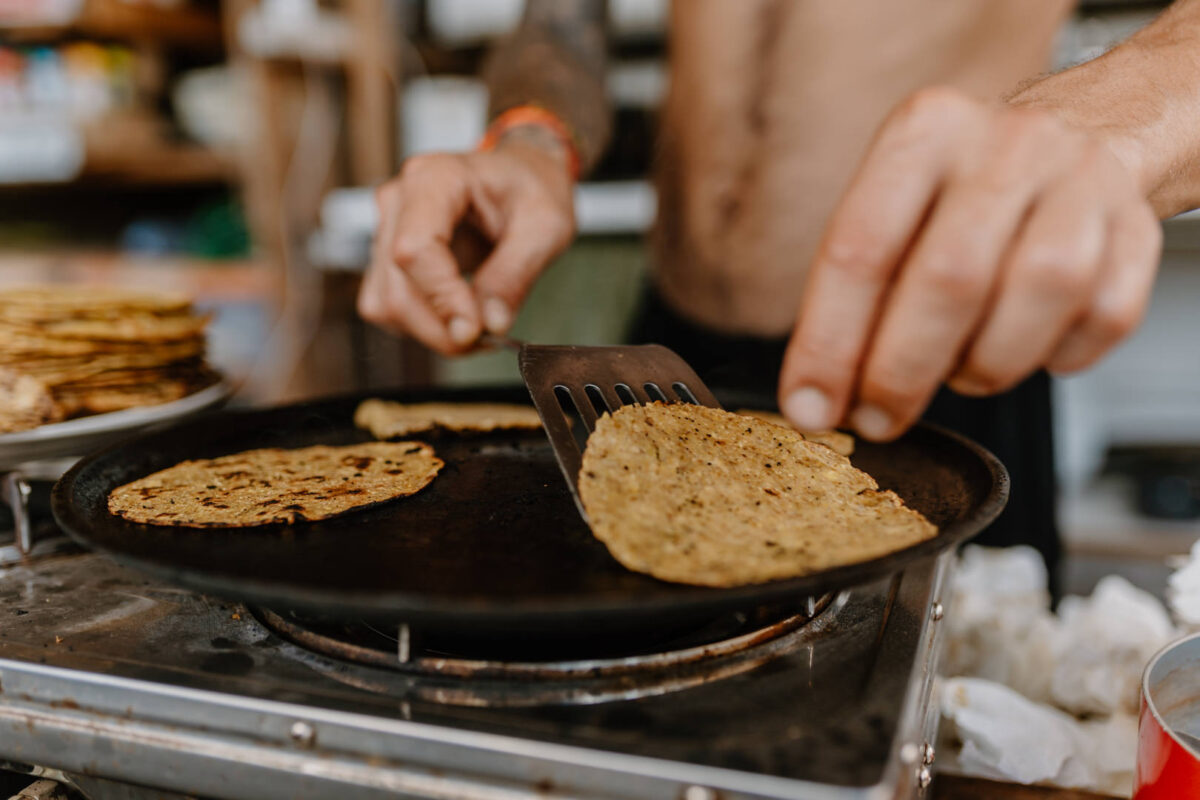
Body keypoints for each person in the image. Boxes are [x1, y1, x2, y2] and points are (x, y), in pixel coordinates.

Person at [358, 0, 1191, 581]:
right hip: (670, 353)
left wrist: (1125, 111)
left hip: (929, 363)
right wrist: (530, 139)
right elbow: (561, 21)